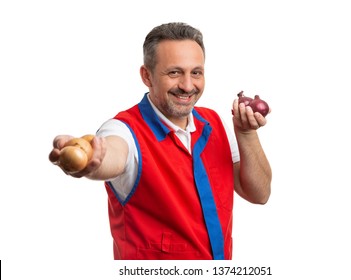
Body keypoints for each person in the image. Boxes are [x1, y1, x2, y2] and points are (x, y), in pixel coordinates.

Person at [49, 22, 272, 260]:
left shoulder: (214, 122)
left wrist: (246, 133)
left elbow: (259, 194)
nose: (188, 86)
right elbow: (112, 154)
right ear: (147, 76)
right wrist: (90, 161)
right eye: (174, 72)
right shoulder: (124, 129)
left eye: (196, 72)